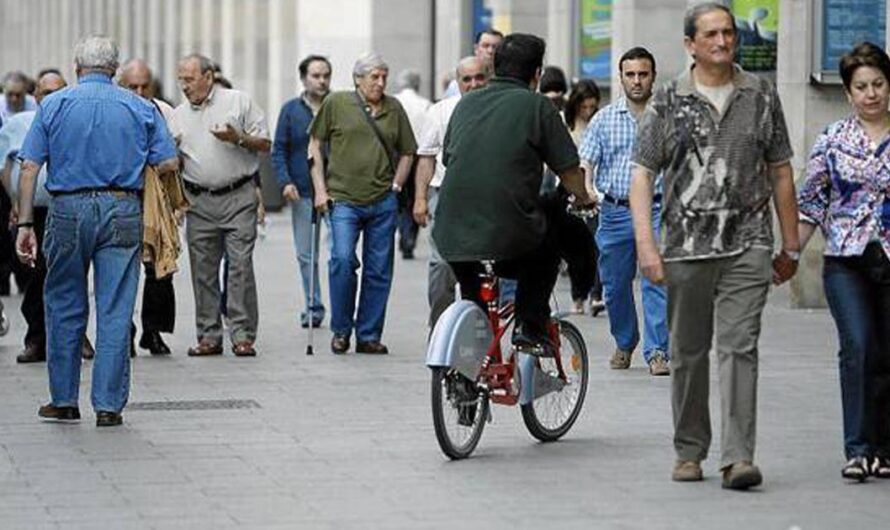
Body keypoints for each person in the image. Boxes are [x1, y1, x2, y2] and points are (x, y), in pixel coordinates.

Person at [628, 2, 799, 489]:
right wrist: (647, 246)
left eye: (728, 32)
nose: (723, 41)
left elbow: (781, 169)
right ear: (690, 45)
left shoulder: (761, 94)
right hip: (684, 248)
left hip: (748, 244)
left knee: (739, 348)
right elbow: (642, 176)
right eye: (711, 35)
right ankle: (689, 450)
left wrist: (789, 245)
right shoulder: (667, 100)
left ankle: (738, 457)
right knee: (687, 353)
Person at [15, 36, 178, 427]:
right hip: (122, 207)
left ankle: (64, 399)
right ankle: (108, 405)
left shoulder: (53, 104)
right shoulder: (139, 106)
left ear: (76, 67)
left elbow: (29, 167)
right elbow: (169, 162)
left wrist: (24, 223)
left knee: (64, 303)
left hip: (67, 209)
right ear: (115, 69)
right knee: (116, 307)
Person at [434, 33, 595, 355]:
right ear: (537, 74)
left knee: (475, 298)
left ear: (494, 68)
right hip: (509, 235)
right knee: (548, 247)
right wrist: (584, 197)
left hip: (451, 235)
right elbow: (568, 170)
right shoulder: (538, 105)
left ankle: (470, 374)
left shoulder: (468, 102)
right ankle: (531, 327)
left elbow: (449, 158)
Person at [796, 42, 890, 482]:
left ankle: (883, 448)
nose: (870, 93)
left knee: (886, 354)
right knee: (858, 346)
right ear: (849, 94)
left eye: (878, 84)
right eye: (861, 87)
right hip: (845, 261)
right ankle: (857, 449)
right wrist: (788, 253)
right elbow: (811, 202)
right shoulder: (833, 139)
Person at [309, 52, 416, 355]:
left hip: (383, 201)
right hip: (343, 200)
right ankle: (341, 329)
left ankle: (368, 334)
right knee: (342, 261)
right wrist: (319, 189)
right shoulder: (337, 103)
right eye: (374, 77)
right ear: (358, 79)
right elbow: (314, 144)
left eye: (384, 76)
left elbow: (408, 150)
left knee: (379, 269)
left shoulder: (394, 108)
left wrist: (397, 185)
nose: (381, 82)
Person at [172, 53, 271, 358]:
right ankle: (209, 335)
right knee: (203, 270)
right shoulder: (177, 114)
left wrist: (237, 138)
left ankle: (242, 334)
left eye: (189, 79)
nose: (184, 86)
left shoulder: (239, 102)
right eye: (181, 80)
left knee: (239, 266)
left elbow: (265, 143)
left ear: (208, 77)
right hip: (198, 200)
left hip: (238, 196)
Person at [579, 47, 670, 376]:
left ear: (653, 77)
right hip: (616, 212)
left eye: (642, 74)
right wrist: (588, 188)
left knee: (656, 280)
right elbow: (586, 159)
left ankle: (658, 350)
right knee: (614, 285)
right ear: (620, 78)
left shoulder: (667, 117)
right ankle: (625, 340)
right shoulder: (604, 119)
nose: (636, 81)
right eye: (630, 74)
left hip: (659, 209)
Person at [413, 56, 490, 328]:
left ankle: (481, 330)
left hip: (487, 198)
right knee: (442, 265)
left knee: (485, 268)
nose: (473, 84)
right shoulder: (440, 111)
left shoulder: (498, 109)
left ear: (489, 77)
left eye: (479, 77)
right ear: (458, 82)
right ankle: (440, 329)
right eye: (466, 79)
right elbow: (426, 157)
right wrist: (420, 199)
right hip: (445, 197)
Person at [0, 70, 68, 363]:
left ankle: (71, 339)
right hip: (33, 212)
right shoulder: (18, 124)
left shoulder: (76, 122)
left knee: (65, 276)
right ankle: (37, 338)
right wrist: (15, 203)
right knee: (35, 274)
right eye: (46, 93)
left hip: (67, 209)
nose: (51, 98)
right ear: (36, 97)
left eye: (57, 92)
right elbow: (7, 166)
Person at [118, 58, 179, 356]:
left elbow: (173, 158)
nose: (139, 92)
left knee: (159, 269)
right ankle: (123, 332)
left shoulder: (162, 111)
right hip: (122, 199)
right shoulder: (113, 112)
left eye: (145, 86)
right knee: (121, 268)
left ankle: (152, 331)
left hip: (155, 201)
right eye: (133, 87)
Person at [272, 54, 332, 329]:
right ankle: (313, 306)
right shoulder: (291, 110)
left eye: (325, 75)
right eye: (316, 75)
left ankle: (342, 308)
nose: (321, 80)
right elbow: (279, 149)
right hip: (303, 192)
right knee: (306, 254)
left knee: (339, 253)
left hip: (337, 192)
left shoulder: (337, 106)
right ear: (304, 78)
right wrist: (285, 181)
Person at [564, 79, 604, 316]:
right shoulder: (565, 123)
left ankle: (596, 295)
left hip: (595, 191)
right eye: (584, 107)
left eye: (592, 106)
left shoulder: (600, 123)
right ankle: (578, 295)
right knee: (576, 250)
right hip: (569, 192)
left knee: (598, 246)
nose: (588, 111)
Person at [393, 69, 431, 260]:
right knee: (415, 198)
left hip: (397, 156)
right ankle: (410, 238)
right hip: (418, 156)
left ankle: (402, 233)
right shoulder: (425, 105)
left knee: (398, 195)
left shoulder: (393, 101)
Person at [442, 29, 503, 98]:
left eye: (496, 47)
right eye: (485, 46)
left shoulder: (507, 80)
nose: (490, 51)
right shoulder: (455, 84)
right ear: (476, 49)